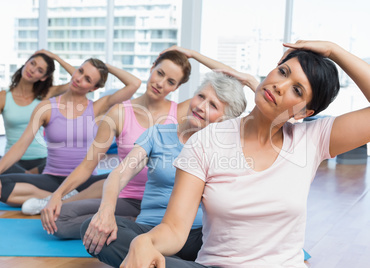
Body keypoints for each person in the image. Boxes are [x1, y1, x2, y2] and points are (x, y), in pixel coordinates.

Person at [117, 40, 370, 268]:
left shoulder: (312, 140)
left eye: (297, 90)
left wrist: (334, 51)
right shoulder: (206, 141)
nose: (279, 86)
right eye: (283, 72)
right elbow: (174, 228)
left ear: (305, 113)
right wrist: (145, 242)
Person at [36, 47, 258, 239]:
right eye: (159, 73)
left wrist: (194, 55)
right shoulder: (119, 113)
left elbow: (225, 88)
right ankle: (112, 217)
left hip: (168, 204)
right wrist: (57, 195)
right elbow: (88, 164)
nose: (160, 84)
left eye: (170, 81)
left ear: (177, 87)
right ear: (152, 68)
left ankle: (126, 225)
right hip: (130, 198)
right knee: (61, 218)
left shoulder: (188, 110)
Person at [80, 70, 248, 266]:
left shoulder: (224, 150)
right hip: (150, 232)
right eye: (201, 96)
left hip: (198, 237)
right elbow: (120, 174)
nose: (201, 106)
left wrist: (252, 81)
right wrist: (106, 211)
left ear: (224, 120)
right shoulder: (157, 134)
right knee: (91, 230)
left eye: (213, 105)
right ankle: (163, 261)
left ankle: (150, 261)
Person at [0, 57, 141, 206]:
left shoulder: (97, 107)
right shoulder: (46, 107)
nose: (79, 79)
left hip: (84, 181)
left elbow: (134, 84)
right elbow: (22, 144)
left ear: (94, 88)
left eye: (88, 79)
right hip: (52, 179)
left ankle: (55, 201)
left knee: (123, 177)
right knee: (1, 184)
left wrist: (105, 66)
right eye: (80, 71)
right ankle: (59, 200)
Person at [0, 50, 73, 175]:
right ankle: (30, 177)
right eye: (32, 63)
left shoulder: (46, 94)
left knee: (67, 160)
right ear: (26, 63)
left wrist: (55, 57)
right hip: (12, 161)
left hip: (41, 160)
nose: (33, 70)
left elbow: (78, 79)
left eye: (40, 70)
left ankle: (21, 178)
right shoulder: (1, 97)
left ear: (43, 78)